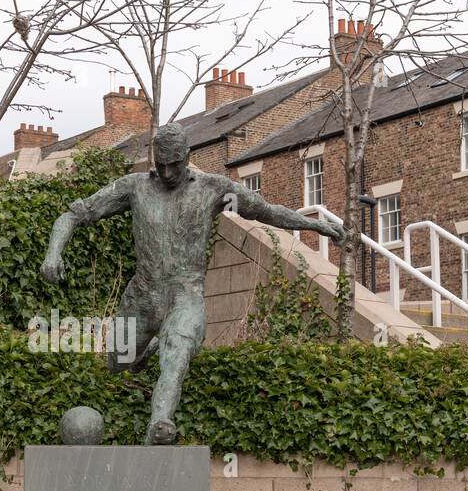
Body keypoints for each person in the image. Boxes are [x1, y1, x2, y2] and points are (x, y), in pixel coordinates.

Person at [41, 123, 344, 445]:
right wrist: (52, 255)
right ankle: (152, 349)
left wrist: (314, 225)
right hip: (142, 295)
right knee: (120, 361)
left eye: (175, 164)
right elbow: (73, 215)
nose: (168, 172)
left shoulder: (213, 189)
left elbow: (266, 212)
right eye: (161, 164)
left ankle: (160, 422)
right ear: (153, 159)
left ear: (188, 157)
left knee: (177, 353)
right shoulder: (133, 187)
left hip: (186, 293)